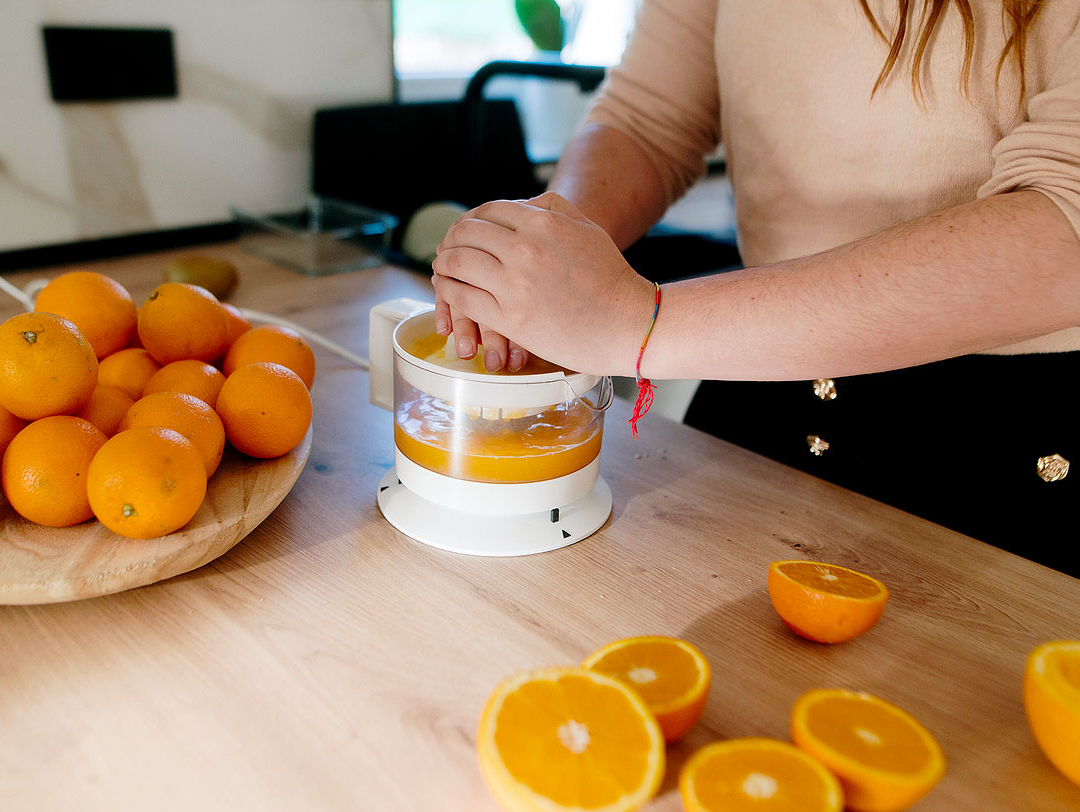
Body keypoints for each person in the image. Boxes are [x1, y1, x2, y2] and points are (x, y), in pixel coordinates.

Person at [429, 0, 1080, 575]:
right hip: (771, 391)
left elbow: (1065, 227)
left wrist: (640, 322)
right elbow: (648, 117)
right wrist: (549, 243)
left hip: (1014, 439)